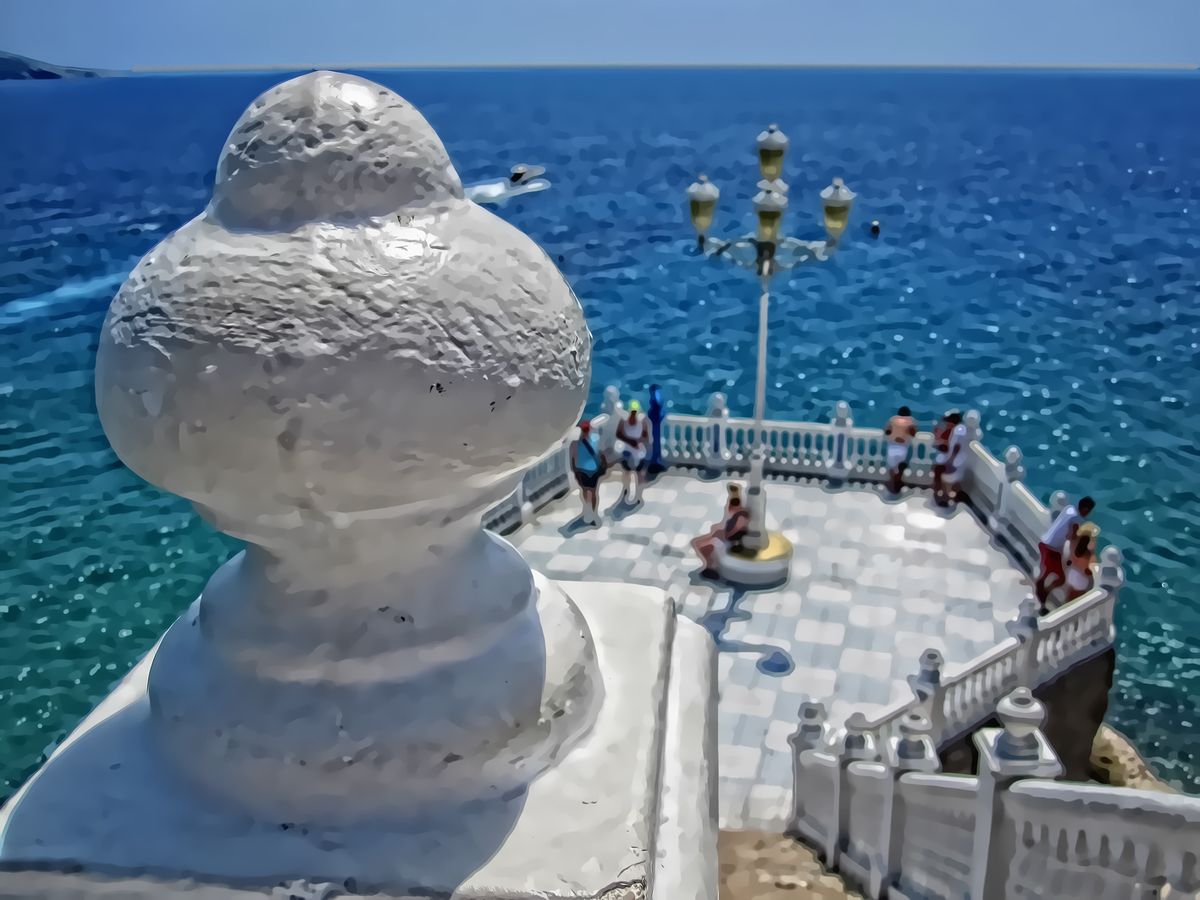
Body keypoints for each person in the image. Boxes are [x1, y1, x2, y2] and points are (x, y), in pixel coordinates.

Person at [1034, 495, 1095, 607]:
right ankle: (1042, 593)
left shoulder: (1069, 508)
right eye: (1089, 511)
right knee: (1061, 578)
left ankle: (1042, 589)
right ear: (1086, 509)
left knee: (1048, 570)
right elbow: (1071, 537)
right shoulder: (1078, 520)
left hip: (1045, 542)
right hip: (1053, 548)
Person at [691, 483, 751, 578]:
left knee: (707, 544)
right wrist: (719, 528)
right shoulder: (733, 510)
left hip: (733, 544)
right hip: (726, 539)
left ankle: (712, 568)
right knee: (698, 542)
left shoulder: (741, 514)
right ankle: (710, 566)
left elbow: (737, 531)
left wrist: (722, 532)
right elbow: (727, 525)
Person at [614, 400, 651, 504]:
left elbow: (646, 437)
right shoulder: (625, 421)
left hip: (637, 452)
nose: (634, 413)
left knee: (637, 474)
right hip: (628, 451)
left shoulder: (641, 422)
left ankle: (638, 494)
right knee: (628, 473)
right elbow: (618, 434)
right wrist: (632, 441)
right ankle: (627, 491)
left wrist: (637, 441)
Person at [569, 419, 605, 525]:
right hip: (587, 470)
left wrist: (574, 470)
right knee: (590, 491)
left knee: (590, 491)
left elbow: (572, 458)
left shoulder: (575, 443)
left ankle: (590, 511)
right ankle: (590, 511)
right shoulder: (594, 439)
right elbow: (601, 453)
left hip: (587, 470)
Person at [1061, 522, 1099, 605]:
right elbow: (1088, 571)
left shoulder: (1072, 543)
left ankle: (1066, 603)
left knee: (1070, 595)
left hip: (1070, 573)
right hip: (1080, 581)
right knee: (1074, 601)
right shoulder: (1089, 555)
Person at [884, 405, 918, 494]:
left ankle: (893, 484)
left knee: (892, 467)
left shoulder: (892, 419)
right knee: (900, 467)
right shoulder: (911, 421)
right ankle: (897, 483)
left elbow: (887, 431)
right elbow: (913, 433)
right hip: (903, 447)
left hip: (892, 445)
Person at [931, 410, 961, 506]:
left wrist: (941, 441)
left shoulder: (954, 433)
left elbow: (949, 448)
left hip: (951, 462)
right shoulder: (951, 432)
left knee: (938, 471)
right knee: (938, 471)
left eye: (949, 422)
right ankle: (940, 492)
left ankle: (940, 493)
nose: (947, 424)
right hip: (950, 460)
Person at [940, 412, 971, 504]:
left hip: (956, 460)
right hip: (960, 460)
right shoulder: (961, 428)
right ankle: (951, 495)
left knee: (945, 476)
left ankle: (946, 497)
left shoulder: (958, 430)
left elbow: (956, 446)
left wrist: (951, 459)